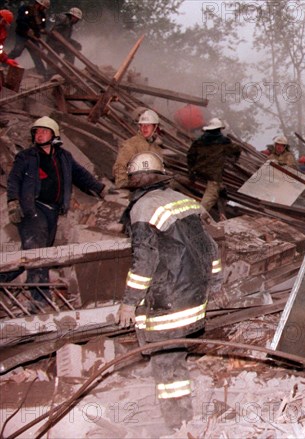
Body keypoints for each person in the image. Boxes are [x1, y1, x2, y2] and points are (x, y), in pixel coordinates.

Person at [116, 152, 221, 431]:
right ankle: (182, 419)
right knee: (175, 356)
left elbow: (144, 262)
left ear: (135, 183)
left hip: (169, 301)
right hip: (195, 295)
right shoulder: (184, 201)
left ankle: (177, 423)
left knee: (166, 363)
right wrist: (216, 285)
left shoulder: (142, 209)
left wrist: (129, 303)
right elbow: (211, 248)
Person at [6, 116, 106, 303]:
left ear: (54, 135)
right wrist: (13, 201)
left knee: (34, 253)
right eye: (36, 132)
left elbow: (80, 175)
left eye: (44, 131)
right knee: (38, 252)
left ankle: (3, 279)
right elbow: (14, 180)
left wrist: (101, 188)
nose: (39, 135)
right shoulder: (26, 157)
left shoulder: (64, 157)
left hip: (52, 211)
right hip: (33, 209)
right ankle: (39, 300)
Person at [187, 117, 240, 220]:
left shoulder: (198, 141)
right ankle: (198, 217)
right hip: (213, 176)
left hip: (198, 173)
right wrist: (235, 157)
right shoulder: (224, 142)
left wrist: (191, 171)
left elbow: (190, 156)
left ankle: (220, 212)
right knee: (211, 196)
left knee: (221, 191)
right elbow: (236, 149)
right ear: (219, 129)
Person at [113, 109, 164, 189]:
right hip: (136, 187)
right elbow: (120, 165)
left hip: (153, 186)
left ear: (155, 127)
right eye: (142, 125)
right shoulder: (131, 144)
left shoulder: (156, 148)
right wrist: (122, 184)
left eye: (148, 125)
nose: (144, 128)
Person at [7, 0, 50, 78]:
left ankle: (43, 74)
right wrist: (27, 29)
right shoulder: (25, 9)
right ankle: (4, 63)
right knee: (17, 51)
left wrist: (42, 31)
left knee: (37, 55)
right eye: (43, 7)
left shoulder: (42, 15)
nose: (44, 9)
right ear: (38, 4)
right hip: (22, 35)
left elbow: (41, 27)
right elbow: (19, 21)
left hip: (33, 38)